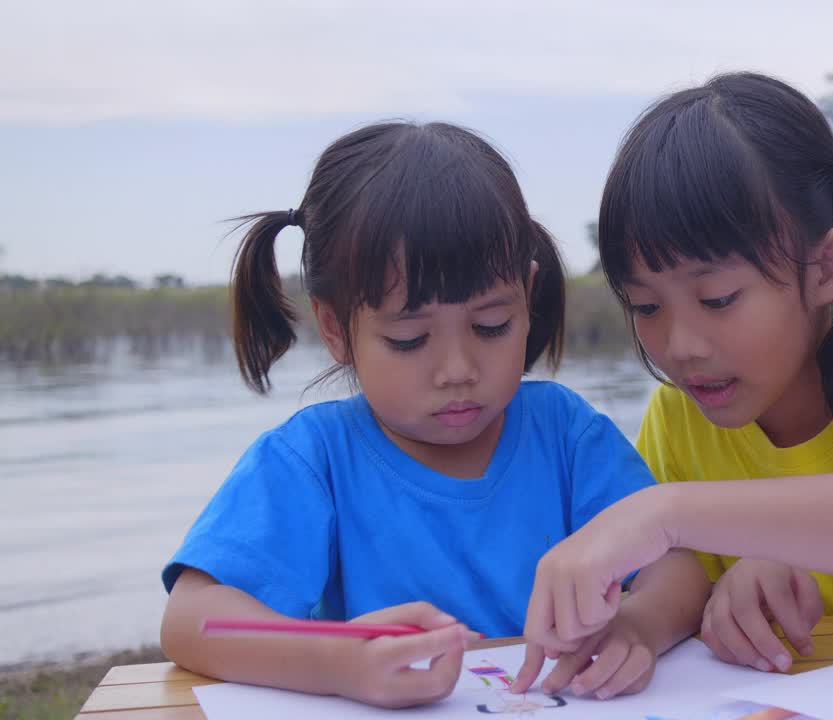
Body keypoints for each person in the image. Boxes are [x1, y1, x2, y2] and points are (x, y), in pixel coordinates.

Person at [160, 122, 707, 708]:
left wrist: (639, 625)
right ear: (334, 328)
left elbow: (677, 566)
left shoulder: (566, 435)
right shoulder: (313, 460)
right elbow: (193, 619)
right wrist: (338, 658)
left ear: (527, 296)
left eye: (491, 327)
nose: (457, 369)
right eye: (409, 338)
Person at [520, 72, 833, 679]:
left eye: (717, 299)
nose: (680, 347)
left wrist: (661, 512)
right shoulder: (680, 416)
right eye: (646, 307)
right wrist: (648, 622)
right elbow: (682, 578)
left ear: (829, 267)